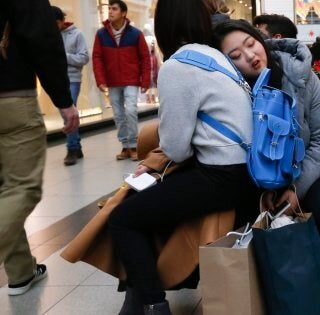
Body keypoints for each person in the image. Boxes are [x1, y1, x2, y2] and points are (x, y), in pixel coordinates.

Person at [107, 0, 261, 313]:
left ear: (164, 26)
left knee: (123, 218)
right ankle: (143, 292)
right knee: (151, 204)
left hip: (222, 177)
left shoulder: (178, 66)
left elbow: (177, 148)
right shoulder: (215, 57)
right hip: (249, 172)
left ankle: (153, 304)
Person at [213, 20, 320, 314]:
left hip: (314, 166)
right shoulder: (229, 93)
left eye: (250, 44)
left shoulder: (299, 75)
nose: (249, 56)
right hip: (258, 176)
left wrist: (295, 189)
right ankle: (268, 294)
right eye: (235, 55)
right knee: (237, 210)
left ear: (261, 39)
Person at [0, 0, 79, 296]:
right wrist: (63, 100)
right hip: (12, 100)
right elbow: (43, 44)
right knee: (22, 188)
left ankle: (20, 273)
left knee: (4, 191)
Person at [93, 0, 150, 161]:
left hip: (131, 79)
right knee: (118, 114)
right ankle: (125, 146)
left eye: (114, 9)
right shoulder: (101, 34)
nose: (110, 11)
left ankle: (134, 145)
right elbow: (97, 58)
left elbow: (145, 58)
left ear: (123, 13)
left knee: (131, 110)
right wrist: (100, 79)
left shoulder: (135, 34)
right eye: (109, 8)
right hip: (112, 81)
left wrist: (145, 80)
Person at [51, 6, 89, 166]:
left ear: (60, 21)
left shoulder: (77, 34)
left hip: (73, 79)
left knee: (68, 115)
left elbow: (84, 57)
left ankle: (71, 148)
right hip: (57, 80)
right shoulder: (49, 36)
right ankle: (77, 146)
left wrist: (63, 56)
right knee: (66, 115)